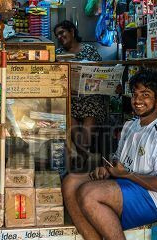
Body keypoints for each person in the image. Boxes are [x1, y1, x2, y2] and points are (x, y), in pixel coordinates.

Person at [61, 69, 157, 240]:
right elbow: (118, 162)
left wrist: (126, 174)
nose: (138, 100)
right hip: (126, 185)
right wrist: (107, 170)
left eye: (145, 95)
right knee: (71, 181)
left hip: (152, 199)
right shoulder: (131, 125)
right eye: (135, 95)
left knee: (89, 193)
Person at [54, 20, 105, 167]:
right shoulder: (58, 54)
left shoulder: (89, 50)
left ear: (72, 31)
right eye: (57, 35)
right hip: (70, 99)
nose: (60, 37)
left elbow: (101, 72)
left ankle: (82, 158)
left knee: (88, 129)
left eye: (62, 32)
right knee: (71, 122)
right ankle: (84, 158)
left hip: (90, 98)